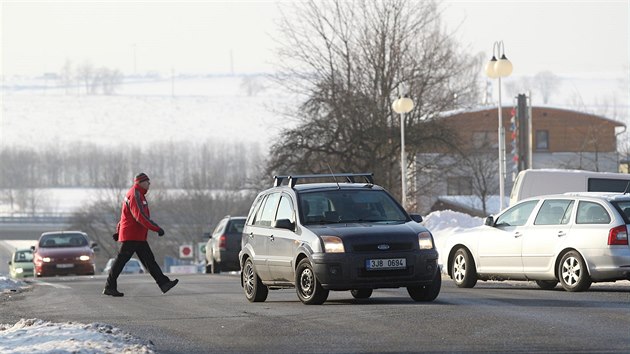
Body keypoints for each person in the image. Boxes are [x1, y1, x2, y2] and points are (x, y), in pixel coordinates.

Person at [103, 173, 178, 297]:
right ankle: (109, 286)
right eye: (147, 182)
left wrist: (119, 231)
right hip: (133, 235)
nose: (149, 184)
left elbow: (124, 216)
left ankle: (164, 283)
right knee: (121, 260)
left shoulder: (137, 194)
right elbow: (140, 216)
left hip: (136, 235)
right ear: (140, 182)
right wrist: (156, 228)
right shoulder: (135, 195)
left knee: (149, 260)